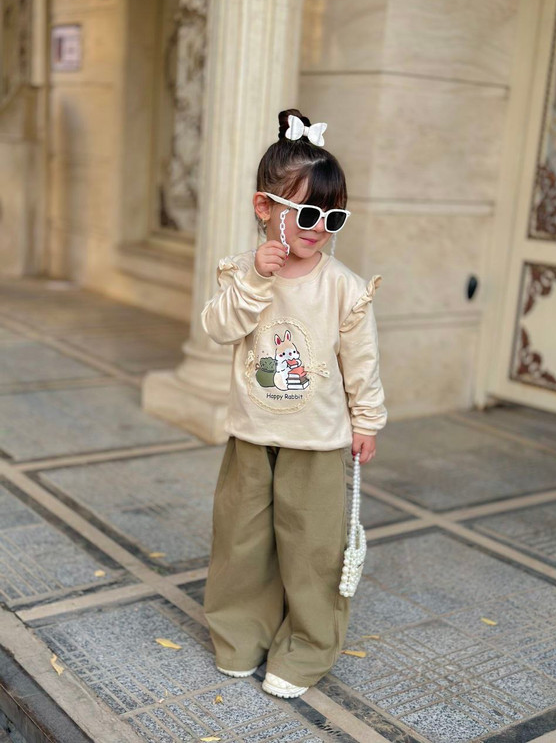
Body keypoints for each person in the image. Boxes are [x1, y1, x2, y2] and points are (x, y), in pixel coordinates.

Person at [201, 108, 387, 699]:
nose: (318, 228)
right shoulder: (241, 272)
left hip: (318, 440)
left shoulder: (344, 287)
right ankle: (239, 633)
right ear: (265, 208)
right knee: (242, 541)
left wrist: (367, 421)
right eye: (307, 214)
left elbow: (361, 363)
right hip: (252, 433)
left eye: (333, 218)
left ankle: (306, 646)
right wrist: (256, 280)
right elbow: (219, 328)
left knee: (313, 549)